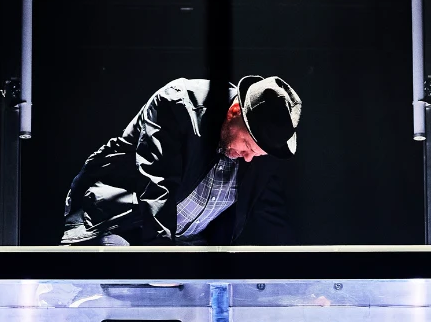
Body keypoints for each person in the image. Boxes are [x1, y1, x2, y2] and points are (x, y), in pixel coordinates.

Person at [61, 76, 301, 246]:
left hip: (185, 244)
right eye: (247, 145)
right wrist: (165, 260)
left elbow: (271, 214)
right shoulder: (177, 105)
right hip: (118, 225)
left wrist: (299, 280)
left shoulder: (261, 151)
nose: (248, 157)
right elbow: (157, 186)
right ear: (235, 111)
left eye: (256, 154)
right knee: (119, 274)